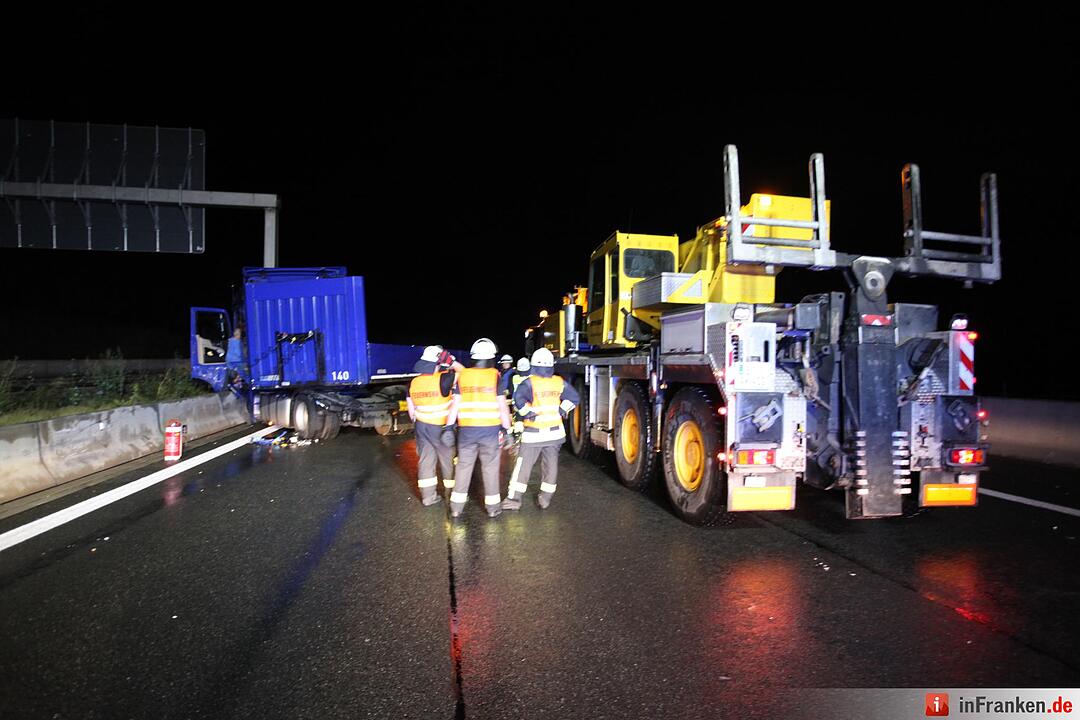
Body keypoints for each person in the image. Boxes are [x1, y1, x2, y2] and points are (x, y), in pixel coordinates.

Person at [502, 347, 579, 510]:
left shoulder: (529, 383)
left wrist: (527, 413)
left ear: (534, 366)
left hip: (534, 434)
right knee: (551, 466)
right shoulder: (559, 382)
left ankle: (514, 500)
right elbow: (574, 397)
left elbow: (518, 401)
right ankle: (545, 499)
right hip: (555, 434)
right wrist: (562, 409)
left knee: (523, 466)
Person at [449, 338, 512, 519]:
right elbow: (502, 406)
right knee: (490, 467)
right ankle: (493, 508)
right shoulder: (495, 375)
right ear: (491, 357)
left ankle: (456, 508)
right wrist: (507, 430)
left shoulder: (463, 375)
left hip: (466, 431)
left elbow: (455, 404)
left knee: (463, 466)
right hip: (489, 431)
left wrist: (448, 426)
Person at [406, 345, 464, 505]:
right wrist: (451, 361)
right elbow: (465, 373)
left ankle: (428, 497)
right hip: (440, 428)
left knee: (426, 460)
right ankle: (451, 494)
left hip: (420, 426)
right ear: (437, 363)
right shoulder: (443, 379)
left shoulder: (413, 382)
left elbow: (411, 409)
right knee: (447, 460)